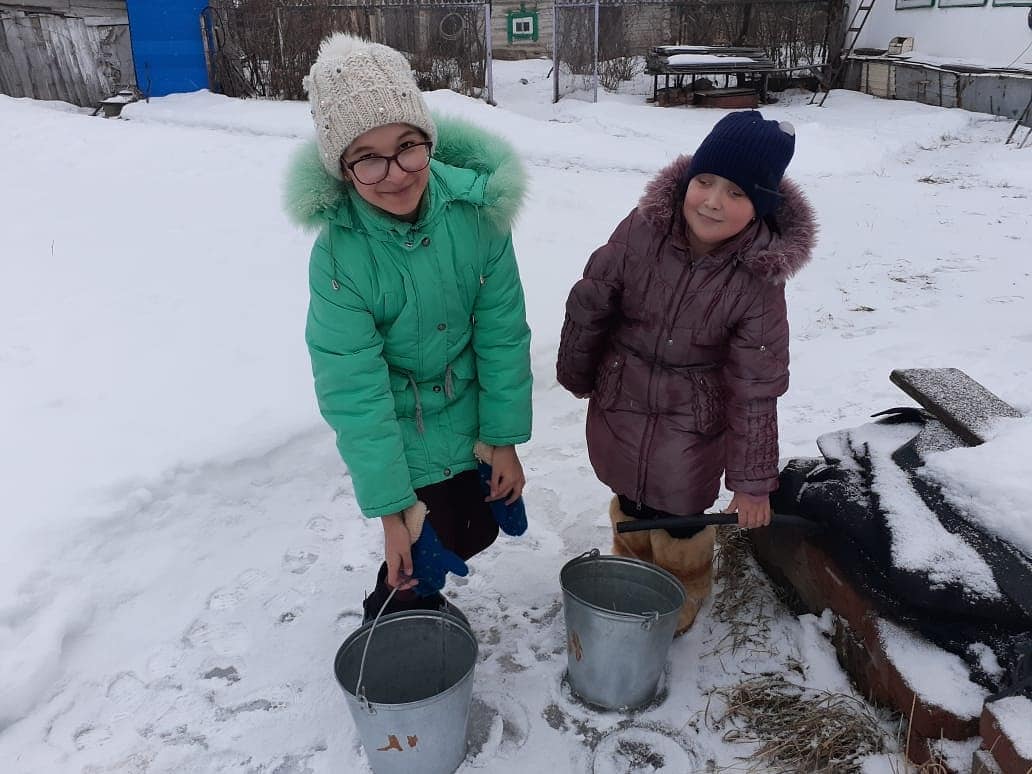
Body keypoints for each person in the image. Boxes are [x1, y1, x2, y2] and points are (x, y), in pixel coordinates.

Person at [284, 34, 533, 623]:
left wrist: (502, 440)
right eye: (367, 158)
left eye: (407, 147)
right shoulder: (341, 256)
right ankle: (393, 616)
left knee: (475, 528)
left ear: (429, 140)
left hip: (466, 404)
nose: (395, 173)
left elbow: (502, 333)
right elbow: (354, 389)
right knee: (419, 549)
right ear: (342, 169)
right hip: (399, 418)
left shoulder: (479, 217)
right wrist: (393, 511)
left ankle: (421, 586)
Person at [556, 111, 817, 634]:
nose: (714, 201)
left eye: (737, 193)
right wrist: (579, 373)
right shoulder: (641, 229)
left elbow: (756, 386)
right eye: (704, 181)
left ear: (761, 207)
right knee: (630, 492)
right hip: (622, 401)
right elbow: (593, 302)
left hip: (693, 422)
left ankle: (681, 595)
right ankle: (631, 570)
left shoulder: (758, 280)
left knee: (680, 514)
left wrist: (752, 483)